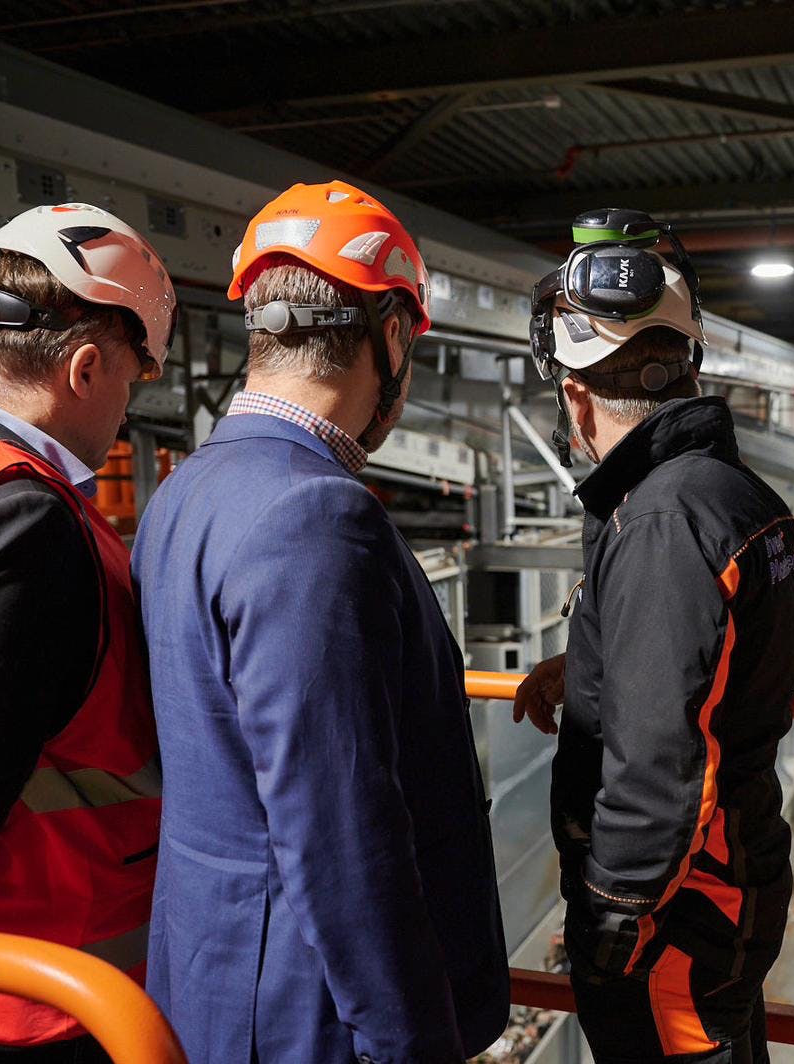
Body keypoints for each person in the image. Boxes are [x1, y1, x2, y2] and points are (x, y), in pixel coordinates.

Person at [131, 180, 508, 1064]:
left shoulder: (185, 490)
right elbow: (341, 833)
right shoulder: (314, 517)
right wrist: (410, 1045)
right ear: (390, 336)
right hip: (311, 1015)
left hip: (213, 977)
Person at [514, 211, 794, 1063]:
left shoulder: (663, 521)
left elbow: (662, 764)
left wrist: (614, 914)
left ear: (575, 394)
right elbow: (708, 662)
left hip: (677, 918)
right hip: (728, 884)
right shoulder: (728, 494)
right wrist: (597, 659)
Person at [0, 204, 175, 1062]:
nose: (124, 413)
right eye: (132, 380)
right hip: (41, 990)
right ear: (87, 368)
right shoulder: (24, 518)